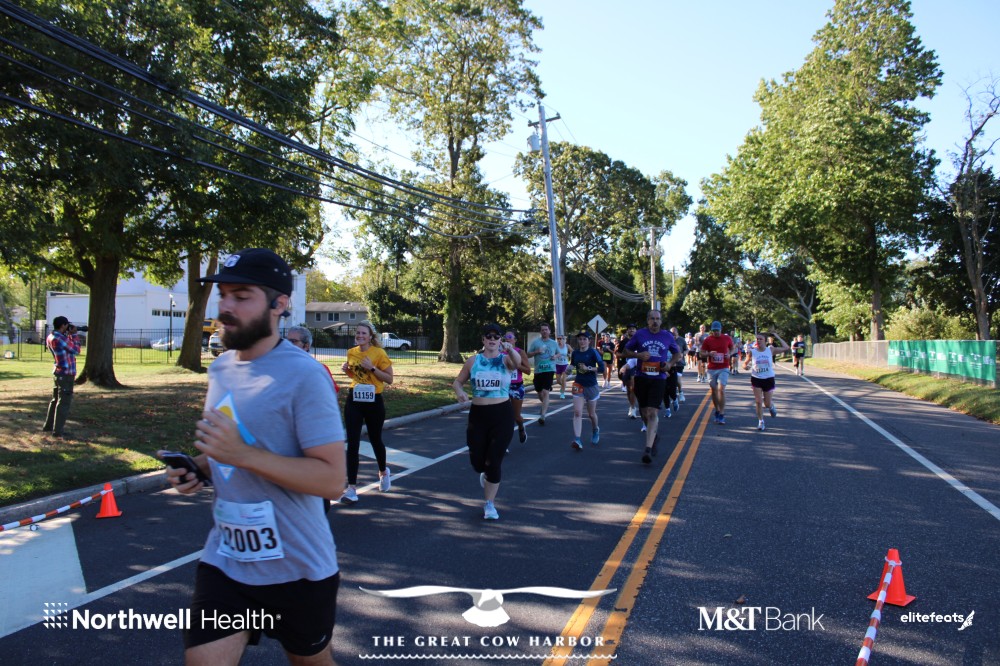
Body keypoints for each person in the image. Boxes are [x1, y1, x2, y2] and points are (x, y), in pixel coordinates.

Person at [166, 248, 346, 665]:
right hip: (227, 560)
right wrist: (200, 468)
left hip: (298, 566)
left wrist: (243, 454)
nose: (226, 307)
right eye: (223, 295)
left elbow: (332, 480)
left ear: (279, 304)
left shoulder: (305, 375)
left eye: (242, 296)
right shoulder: (221, 369)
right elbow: (231, 449)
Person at [453, 323, 522, 520]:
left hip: (502, 414)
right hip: (478, 415)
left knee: (494, 461)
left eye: (496, 336)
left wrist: (510, 349)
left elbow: (517, 363)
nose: (492, 339)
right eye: (488, 336)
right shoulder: (473, 361)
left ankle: (489, 504)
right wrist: (459, 391)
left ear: (500, 340)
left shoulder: (505, 359)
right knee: (477, 462)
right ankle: (485, 472)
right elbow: (458, 381)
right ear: (483, 339)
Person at [339, 320, 394, 503]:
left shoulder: (379, 353)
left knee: (375, 439)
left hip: (373, 400)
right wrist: (347, 371)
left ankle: (383, 472)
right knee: (352, 443)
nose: (360, 336)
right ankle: (351, 488)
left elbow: (389, 379)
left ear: (370, 336)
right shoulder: (351, 352)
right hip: (355, 398)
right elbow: (356, 376)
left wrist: (372, 367)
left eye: (364, 333)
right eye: (358, 333)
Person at [624, 310, 681, 464]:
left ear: (661, 321)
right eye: (652, 319)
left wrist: (669, 364)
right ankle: (654, 437)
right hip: (642, 377)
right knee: (643, 412)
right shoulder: (640, 334)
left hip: (659, 378)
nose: (655, 321)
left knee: (652, 411)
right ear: (647, 320)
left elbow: (677, 354)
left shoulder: (667, 336)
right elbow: (626, 350)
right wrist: (638, 355)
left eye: (657, 319)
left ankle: (647, 449)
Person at [42, 315, 80, 438]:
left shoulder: (51, 336)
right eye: (66, 325)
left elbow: (67, 348)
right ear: (63, 325)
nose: (68, 327)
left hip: (58, 372)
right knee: (63, 402)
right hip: (66, 373)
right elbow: (76, 350)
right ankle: (58, 431)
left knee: (55, 400)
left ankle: (48, 426)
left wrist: (69, 335)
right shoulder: (60, 338)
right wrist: (74, 335)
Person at [744, 331, 791, 430]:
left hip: (768, 378)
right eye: (757, 339)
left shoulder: (770, 350)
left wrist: (777, 336)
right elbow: (745, 363)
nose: (758, 340)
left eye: (761, 339)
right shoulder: (752, 351)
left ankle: (771, 407)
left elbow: (786, 347)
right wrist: (745, 367)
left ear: (765, 340)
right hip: (756, 378)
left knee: (767, 403)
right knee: (758, 401)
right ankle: (761, 422)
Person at [569, 330, 605, 449]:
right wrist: (568, 369)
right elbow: (573, 364)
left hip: (591, 385)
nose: (582, 341)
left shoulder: (593, 352)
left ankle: (595, 430)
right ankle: (577, 439)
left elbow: (602, 368)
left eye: (584, 339)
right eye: (580, 339)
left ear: (589, 341)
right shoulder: (575, 353)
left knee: (591, 414)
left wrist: (588, 368)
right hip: (578, 384)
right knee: (577, 412)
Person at [700, 321, 737, 424]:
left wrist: (729, 354)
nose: (716, 332)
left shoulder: (727, 338)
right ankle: (717, 410)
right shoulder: (708, 340)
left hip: (723, 367)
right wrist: (709, 354)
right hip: (712, 368)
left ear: (721, 330)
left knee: (721, 389)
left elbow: (732, 348)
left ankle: (722, 413)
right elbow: (701, 353)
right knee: (714, 390)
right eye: (714, 331)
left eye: (717, 330)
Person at [286, 326, 339, 394]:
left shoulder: (320, 369)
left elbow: (332, 393)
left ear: (306, 346)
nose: (288, 344)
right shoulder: (279, 367)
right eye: (287, 341)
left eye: (293, 341)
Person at [526, 322, 559, 425]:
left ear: (549, 331)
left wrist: (555, 356)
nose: (544, 331)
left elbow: (559, 353)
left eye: (546, 329)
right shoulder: (536, 342)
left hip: (549, 370)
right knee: (539, 392)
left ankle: (543, 416)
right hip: (538, 370)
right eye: (542, 330)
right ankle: (545, 404)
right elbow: (528, 354)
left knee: (545, 392)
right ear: (540, 332)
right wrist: (536, 352)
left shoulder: (554, 343)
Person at [504, 329, 532, 444]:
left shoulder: (520, 352)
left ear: (515, 340)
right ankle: (504, 443)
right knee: (504, 416)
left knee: (516, 416)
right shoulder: (500, 352)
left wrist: (516, 364)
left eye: (510, 337)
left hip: (516, 387)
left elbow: (528, 371)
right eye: (505, 337)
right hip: (503, 387)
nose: (507, 339)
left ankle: (521, 426)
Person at [615, 324, 638, 415]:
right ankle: (632, 406)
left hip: (637, 366)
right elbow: (617, 354)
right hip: (626, 366)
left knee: (633, 387)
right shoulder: (624, 342)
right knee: (629, 389)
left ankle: (633, 408)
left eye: (633, 329)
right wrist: (626, 355)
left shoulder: (639, 341)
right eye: (630, 329)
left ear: (636, 331)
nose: (632, 330)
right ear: (627, 331)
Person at [670, 326, 686, 407]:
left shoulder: (681, 340)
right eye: (671, 333)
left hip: (680, 363)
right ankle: (674, 397)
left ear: (677, 332)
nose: (673, 334)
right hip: (671, 363)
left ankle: (681, 392)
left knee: (678, 379)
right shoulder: (668, 340)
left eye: (674, 332)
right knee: (672, 382)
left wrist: (683, 354)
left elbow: (686, 349)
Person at [553, 333, 571, 399]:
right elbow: (552, 353)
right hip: (557, 365)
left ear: (563, 339)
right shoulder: (555, 346)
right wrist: (555, 356)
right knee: (558, 381)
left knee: (563, 379)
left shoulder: (567, 346)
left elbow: (572, 351)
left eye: (560, 338)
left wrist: (570, 355)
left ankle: (562, 393)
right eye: (558, 338)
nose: (559, 340)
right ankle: (563, 386)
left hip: (565, 365)